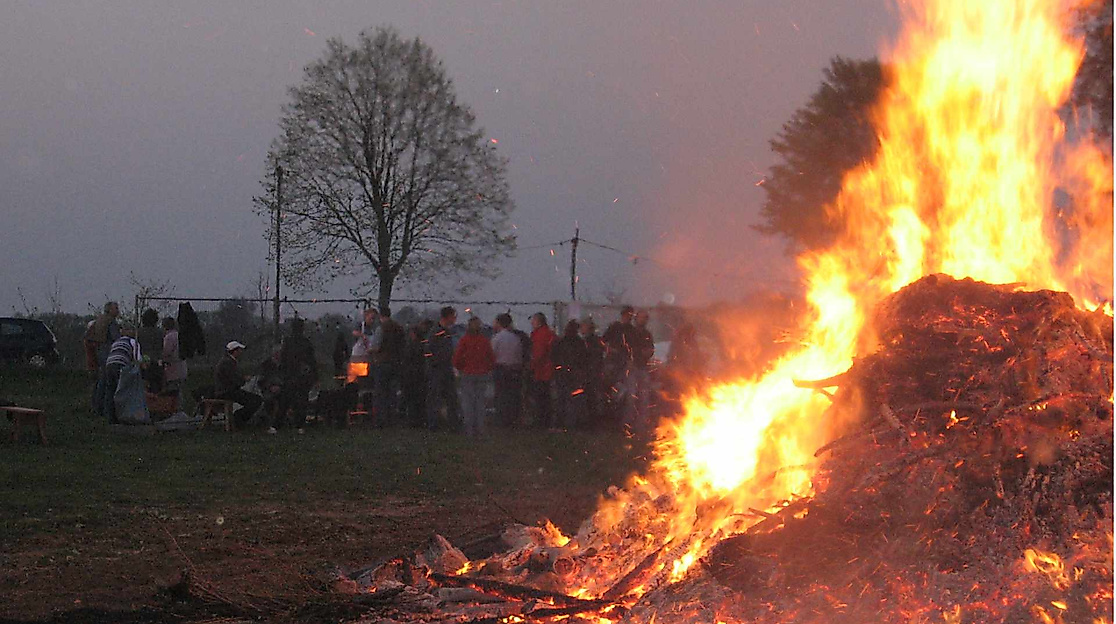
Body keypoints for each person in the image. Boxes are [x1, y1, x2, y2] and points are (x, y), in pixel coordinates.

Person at [453, 317, 495, 437]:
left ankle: (469, 429)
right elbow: (491, 358)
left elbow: (456, 359)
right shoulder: (484, 341)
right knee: (480, 402)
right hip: (482, 374)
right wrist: (486, 368)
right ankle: (480, 428)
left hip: (467, 374)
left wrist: (461, 368)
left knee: (468, 402)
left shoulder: (464, 340)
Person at [278, 318, 318, 433]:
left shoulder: (288, 342)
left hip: (290, 375)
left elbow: (283, 359)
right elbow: (312, 361)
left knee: (285, 401)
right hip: (302, 376)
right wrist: (315, 376)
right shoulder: (306, 342)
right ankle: (299, 425)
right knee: (301, 401)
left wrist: (283, 373)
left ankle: (277, 425)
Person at [214, 340, 263, 429]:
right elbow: (233, 379)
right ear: (235, 351)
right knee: (256, 400)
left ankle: (239, 419)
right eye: (240, 350)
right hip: (227, 391)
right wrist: (243, 379)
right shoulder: (227, 362)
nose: (241, 352)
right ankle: (238, 418)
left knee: (254, 399)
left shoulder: (228, 361)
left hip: (228, 390)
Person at [424, 306, 459, 431]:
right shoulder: (437, 332)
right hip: (437, 370)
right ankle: (433, 424)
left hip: (446, 368)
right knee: (435, 397)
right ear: (448, 317)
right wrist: (435, 363)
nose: (455, 319)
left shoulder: (446, 332)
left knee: (451, 397)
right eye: (454, 316)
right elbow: (428, 350)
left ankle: (452, 423)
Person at [552, 319, 588, 430]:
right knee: (572, 399)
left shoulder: (560, 342)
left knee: (561, 399)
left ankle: (560, 423)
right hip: (574, 374)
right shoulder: (580, 343)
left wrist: (558, 368)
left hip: (562, 373)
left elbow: (554, 356)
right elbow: (584, 358)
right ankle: (571, 423)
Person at [625, 309, 657, 433]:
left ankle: (641, 426)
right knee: (631, 397)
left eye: (645, 318)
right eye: (640, 317)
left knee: (644, 398)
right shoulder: (630, 332)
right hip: (631, 368)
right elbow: (627, 349)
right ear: (636, 319)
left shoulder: (647, 334)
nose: (642, 320)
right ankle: (627, 425)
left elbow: (650, 350)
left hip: (643, 368)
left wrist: (646, 353)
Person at [490, 313, 524, 428]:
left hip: (501, 369)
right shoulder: (515, 338)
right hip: (514, 369)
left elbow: (492, 355)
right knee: (512, 396)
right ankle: (512, 419)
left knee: (501, 395)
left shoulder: (497, 338)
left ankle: (501, 419)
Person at [101, 327, 141, 423]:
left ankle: (109, 417)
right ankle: (123, 415)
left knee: (110, 390)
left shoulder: (116, 342)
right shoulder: (133, 342)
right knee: (122, 390)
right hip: (121, 364)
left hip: (109, 364)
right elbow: (138, 359)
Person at [90, 301, 122, 418]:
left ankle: (96, 406)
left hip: (100, 351)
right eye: (116, 308)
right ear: (110, 310)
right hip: (109, 353)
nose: (118, 310)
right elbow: (116, 338)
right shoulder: (111, 322)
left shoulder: (100, 320)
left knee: (100, 380)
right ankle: (103, 409)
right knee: (106, 382)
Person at [374, 308, 405, 427]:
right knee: (393, 392)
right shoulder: (399, 328)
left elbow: (376, 347)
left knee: (381, 393)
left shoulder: (381, 329)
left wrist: (371, 350)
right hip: (396, 363)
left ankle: (381, 420)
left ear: (381, 316)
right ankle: (393, 418)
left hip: (383, 363)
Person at [528, 312, 556, 429]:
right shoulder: (550, 334)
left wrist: (532, 367)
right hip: (548, 370)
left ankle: (541, 421)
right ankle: (546, 420)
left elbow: (538, 354)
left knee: (540, 398)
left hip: (541, 371)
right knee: (546, 397)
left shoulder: (539, 335)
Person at [400, 324, 428, 428]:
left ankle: (413, 420)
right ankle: (420, 419)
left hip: (411, 375)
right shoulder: (423, 345)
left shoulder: (411, 346)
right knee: (419, 398)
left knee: (411, 398)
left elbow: (407, 359)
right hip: (420, 374)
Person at [580, 318, 606, 428]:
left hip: (591, 374)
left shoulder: (590, 342)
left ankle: (591, 423)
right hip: (592, 373)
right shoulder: (594, 341)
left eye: (583, 326)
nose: (581, 328)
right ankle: (592, 422)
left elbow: (593, 357)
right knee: (591, 398)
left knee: (591, 398)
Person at [161, 317, 188, 413]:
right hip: (182, 369)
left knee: (173, 394)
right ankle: (180, 412)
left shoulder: (169, 337)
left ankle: (175, 413)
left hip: (173, 370)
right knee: (180, 392)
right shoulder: (180, 336)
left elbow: (166, 353)